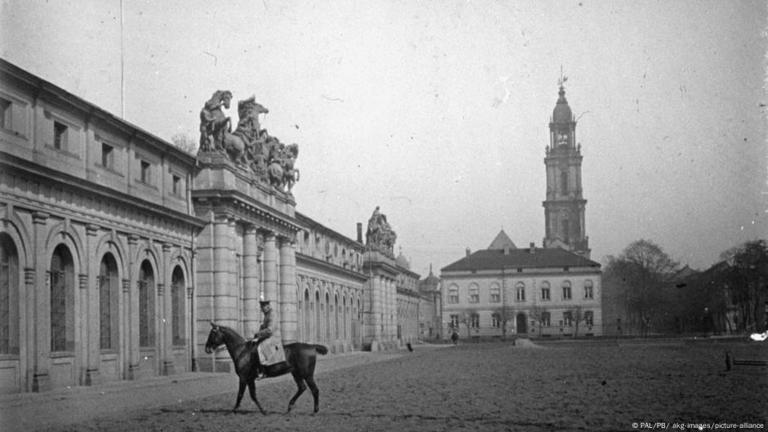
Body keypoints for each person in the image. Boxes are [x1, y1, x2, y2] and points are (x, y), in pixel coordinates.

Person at [253, 297, 274, 378]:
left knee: (260, 348)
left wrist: (259, 333)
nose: (261, 309)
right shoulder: (267, 315)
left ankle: (263, 370)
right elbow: (263, 326)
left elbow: (270, 329)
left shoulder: (272, 314)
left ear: (267, 306)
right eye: (261, 307)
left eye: (262, 307)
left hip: (273, 337)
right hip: (267, 336)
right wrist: (258, 334)